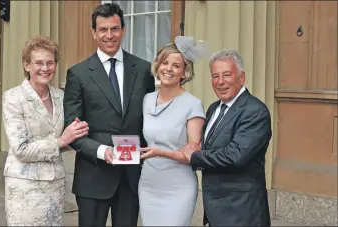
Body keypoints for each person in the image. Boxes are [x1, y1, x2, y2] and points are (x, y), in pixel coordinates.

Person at [63, 3, 155, 227]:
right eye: (103, 29)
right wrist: (103, 151)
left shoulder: (143, 70)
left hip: (130, 177)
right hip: (93, 177)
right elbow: (72, 130)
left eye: (114, 28)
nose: (109, 35)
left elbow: (150, 119)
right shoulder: (78, 74)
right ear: (94, 32)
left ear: (123, 29)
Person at [2, 35, 89, 226]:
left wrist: (74, 138)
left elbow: (64, 140)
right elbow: (21, 149)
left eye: (50, 63)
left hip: (55, 187)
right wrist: (61, 141)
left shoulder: (61, 96)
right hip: (25, 189)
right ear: (26, 65)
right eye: (39, 63)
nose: (45, 68)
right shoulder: (13, 97)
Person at [181, 49, 272, 226]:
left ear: (242, 77)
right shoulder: (214, 108)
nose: (220, 82)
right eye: (215, 76)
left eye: (227, 75)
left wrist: (195, 156)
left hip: (242, 213)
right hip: (217, 211)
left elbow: (235, 156)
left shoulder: (255, 111)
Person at [138, 36, 208, 226]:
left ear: (184, 73)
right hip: (148, 184)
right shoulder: (145, 100)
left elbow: (192, 154)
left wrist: (160, 152)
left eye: (176, 66)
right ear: (157, 66)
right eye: (165, 63)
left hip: (179, 187)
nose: (168, 69)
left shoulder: (193, 105)